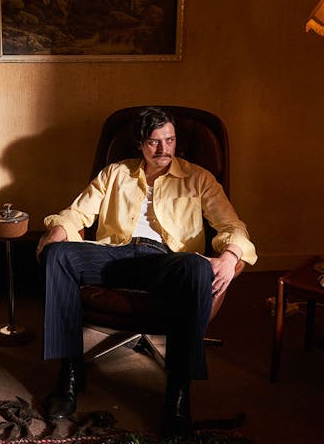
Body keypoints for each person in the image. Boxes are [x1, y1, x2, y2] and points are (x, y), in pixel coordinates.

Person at [35, 107, 257, 437]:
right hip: (114, 256)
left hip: (165, 260)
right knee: (58, 255)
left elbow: (232, 225)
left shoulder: (199, 178)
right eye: (154, 142)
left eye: (170, 140)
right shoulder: (115, 173)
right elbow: (77, 213)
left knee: (198, 266)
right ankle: (69, 373)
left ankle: (178, 393)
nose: (164, 149)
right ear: (140, 144)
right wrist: (58, 231)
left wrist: (230, 254)